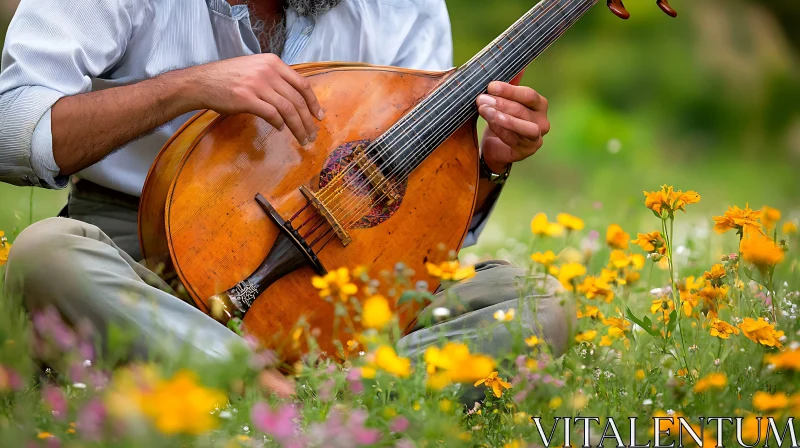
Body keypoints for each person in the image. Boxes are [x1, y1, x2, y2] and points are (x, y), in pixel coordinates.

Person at [0, 0, 572, 391]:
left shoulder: (408, 9)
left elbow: (417, 235)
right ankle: (313, 406)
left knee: (538, 305)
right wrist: (185, 88)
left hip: (338, 282)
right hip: (145, 257)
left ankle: (285, 404)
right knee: (45, 255)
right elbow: (12, 133)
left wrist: (489, 165)